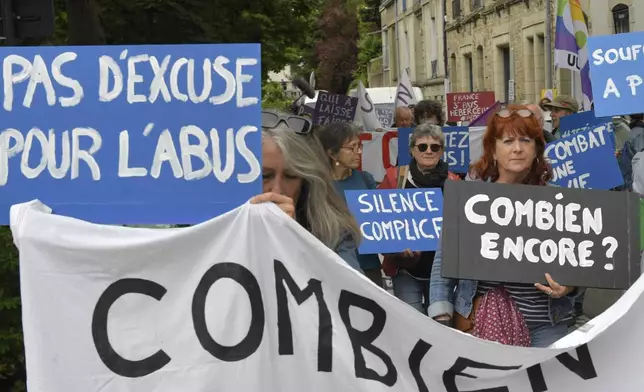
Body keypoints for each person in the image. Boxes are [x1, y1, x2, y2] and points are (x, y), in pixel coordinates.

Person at [429, 105, 583, 347]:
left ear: (537, 150)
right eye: (508, 140)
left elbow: (578, 261)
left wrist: (570, 285)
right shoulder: (470, 200)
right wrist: (441, 318)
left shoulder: (559, 201)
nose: (518, 148)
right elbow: (443, 262)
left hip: (547, 326)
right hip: (482, 325)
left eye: (525, 140)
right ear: (493, 150)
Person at [252, 110, 363, 272]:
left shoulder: (334, 232)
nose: (276, 190)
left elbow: (352, 291)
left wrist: (295, 239)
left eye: (291, 176)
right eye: (264, 176)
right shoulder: (221, 226)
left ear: (307, 181)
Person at [378, 124, 460, 313]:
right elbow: (380, 221)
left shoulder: (454, 182)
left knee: (441, 326)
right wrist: (395, 246)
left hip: (441, 272)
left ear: (442, 151)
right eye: (422, 146)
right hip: (406, 269)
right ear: (412, 150)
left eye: (435, 147)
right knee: (411, 324)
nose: (429, 151)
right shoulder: (395, 178)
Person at [315, 122, 383, 287]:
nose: (358, 152)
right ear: (332, 153)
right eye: (351, 148)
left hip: (368, 267)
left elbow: (382, 220)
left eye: (359, 146)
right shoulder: (316, 185)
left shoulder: (366, 180)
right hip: (331, 267)